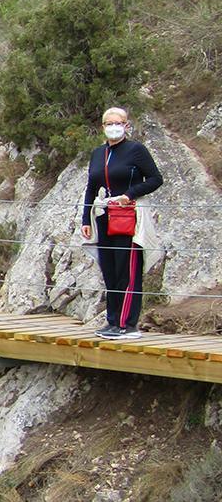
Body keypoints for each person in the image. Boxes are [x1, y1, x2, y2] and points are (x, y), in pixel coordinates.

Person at [80, 107, 163, 339]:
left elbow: (156, 179)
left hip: (128, 216)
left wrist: (130, 194)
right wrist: (86, 218)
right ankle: (113, 320)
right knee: (109, 269)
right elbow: (90, 187)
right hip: (104, 216)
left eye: (119, 122)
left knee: (127, 269)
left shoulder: (136, 150)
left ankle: (127, 324)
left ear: (127, 125)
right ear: (103, 127)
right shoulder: (97, 153)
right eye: (109, 123)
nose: (114, 126)